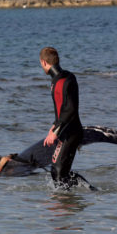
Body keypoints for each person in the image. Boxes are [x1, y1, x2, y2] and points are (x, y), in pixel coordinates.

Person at [39, 47, 83, 189]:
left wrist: (56, 131)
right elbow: (64, 109)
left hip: (69, 133)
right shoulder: (68, 76)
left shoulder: (58, 83)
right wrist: (54, 126)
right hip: (72, 130)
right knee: (60, 173)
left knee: (57, 173)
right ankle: (83, 194)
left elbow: (70, 110)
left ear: (44, 62)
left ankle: (66, 205)